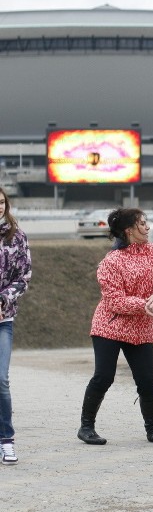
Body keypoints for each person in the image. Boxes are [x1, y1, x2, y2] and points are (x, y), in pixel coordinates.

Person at [77, 208, 153, 446]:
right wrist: (145, 304)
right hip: (109, 326)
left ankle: (152, 429)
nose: (148, 227)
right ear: (129, 230)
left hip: (141, 328)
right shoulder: (110, 262)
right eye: (143, 224)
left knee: (147, 381)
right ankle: (86, 427)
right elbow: (114, 300)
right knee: (104, 377)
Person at [0, 189, 31, 464]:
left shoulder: (16, 236)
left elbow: (24, 275)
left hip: (3, 319)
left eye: (1, 202)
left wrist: (4, 298)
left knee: (1, 380)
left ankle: (6, 440)